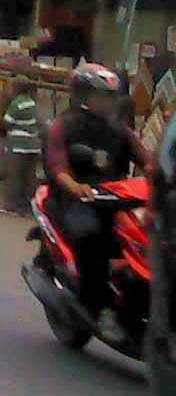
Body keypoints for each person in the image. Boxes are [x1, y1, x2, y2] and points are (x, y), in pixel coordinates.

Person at [44, 62, 152, 344]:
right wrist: (77, 187)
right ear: (82, 95)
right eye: (99, 95)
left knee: (149, 238)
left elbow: (147, 161)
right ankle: (99, 308)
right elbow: (58, 168)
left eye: (108, 97)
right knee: (93, 239)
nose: (105, 102)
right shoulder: (64, 126)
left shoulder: (118, 131)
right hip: (76, 202)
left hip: (116, 201)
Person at [0, 80, 42, 215]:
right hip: (33, 146)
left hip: (18, 146)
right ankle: (26, 207)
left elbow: (6, 123)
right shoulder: (31, 102)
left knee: (14, 176)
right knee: (28, 178)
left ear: (16, 89)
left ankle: (10, 206)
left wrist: (3, 107)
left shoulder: (17, 103)